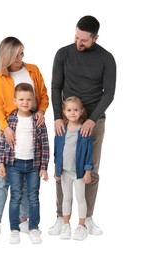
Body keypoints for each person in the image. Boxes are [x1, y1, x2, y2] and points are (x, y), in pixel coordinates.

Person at [49, 15, 116, 236]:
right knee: (62, 168)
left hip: (93, 122)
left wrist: (91, 119)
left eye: (84, 40)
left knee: (90, 170)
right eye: (76, 37)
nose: (79, 42)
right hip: (66, 122)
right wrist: (58, 116)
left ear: (95, 37)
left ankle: (86, 219)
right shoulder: (63, 54)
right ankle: (62, 217)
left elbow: (109, 94)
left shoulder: (107, 58)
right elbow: (56, 85)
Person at [0, 36, 49, 243]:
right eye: (16, 55)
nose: (21, 58)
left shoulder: (33, 70)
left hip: (31, 129)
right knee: (3, 179)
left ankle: (24, 220)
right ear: (7, 57)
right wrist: (5, 129)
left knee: (26, 176)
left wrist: (41, 110)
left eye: (22, 53)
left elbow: (43, 95)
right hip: (9, 131)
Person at [0, 83, 49, 244]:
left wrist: (44, 167)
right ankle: (14, 229)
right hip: (15, 165)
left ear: (33, 100)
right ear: (14, 100)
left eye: (28, 99)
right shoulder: (10, 120)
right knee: (16, 196)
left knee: (33, 197)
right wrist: (1, 163)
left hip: (34, 166)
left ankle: (34, 228)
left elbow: (45, 144)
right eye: (21, 99)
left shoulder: (38, 120)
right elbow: (2, 143)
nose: (25, 102)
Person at [55, 96, 93, 241]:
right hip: (64, 172)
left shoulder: (84, 131)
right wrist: (56, 170)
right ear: (64, 112)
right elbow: (57, 152)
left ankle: (81, 225)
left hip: (79, 173)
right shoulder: (61, 130)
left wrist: (88, 172)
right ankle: (65, 225)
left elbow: (89, 154)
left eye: (76, 110)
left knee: (80, 198)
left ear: (81, 111)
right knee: (66, 198)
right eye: (69, 110)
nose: (72, 113)